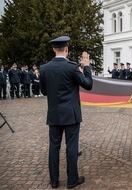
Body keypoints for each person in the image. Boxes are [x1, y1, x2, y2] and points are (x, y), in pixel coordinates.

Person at [40, 36, 93, 189]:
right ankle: (72, 180)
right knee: (71, 147)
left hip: (54, 114)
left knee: (53, 147)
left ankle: (54, 181)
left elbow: (44, 91)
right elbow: (88, 85)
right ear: (66, 49)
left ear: (53, 50)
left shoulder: (44, 68)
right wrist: (87, 66)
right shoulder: (72, 67)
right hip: (71, 114)